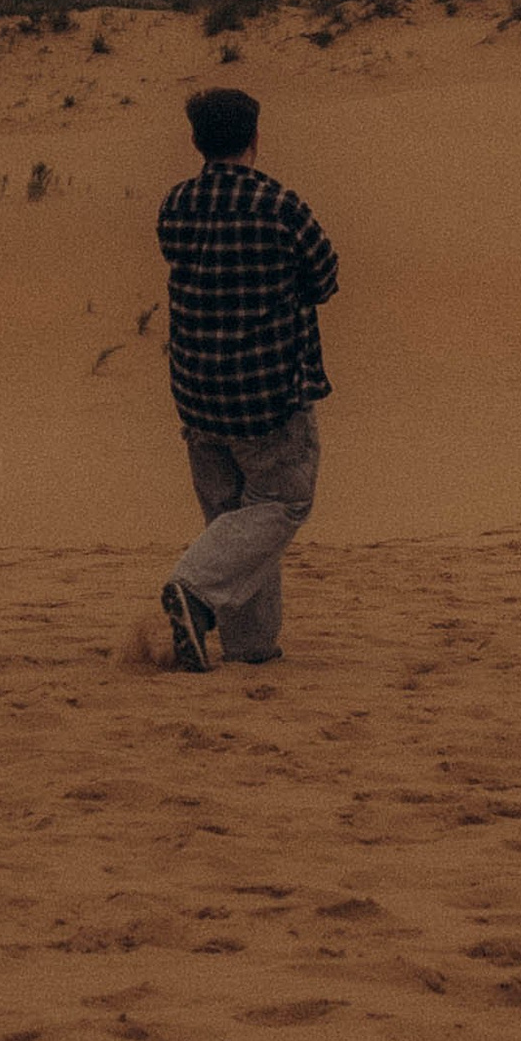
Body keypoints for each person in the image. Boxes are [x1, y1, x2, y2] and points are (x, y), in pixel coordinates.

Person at [155, 85, 339, 672]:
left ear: (196, 142)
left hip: (198, 394)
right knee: (281, 505)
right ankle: (197, 592)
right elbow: (325, 278)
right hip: (267, 395)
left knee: (233, 522)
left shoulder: (177, 205)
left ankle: (250, 648)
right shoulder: (280, 205)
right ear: (256, 138)